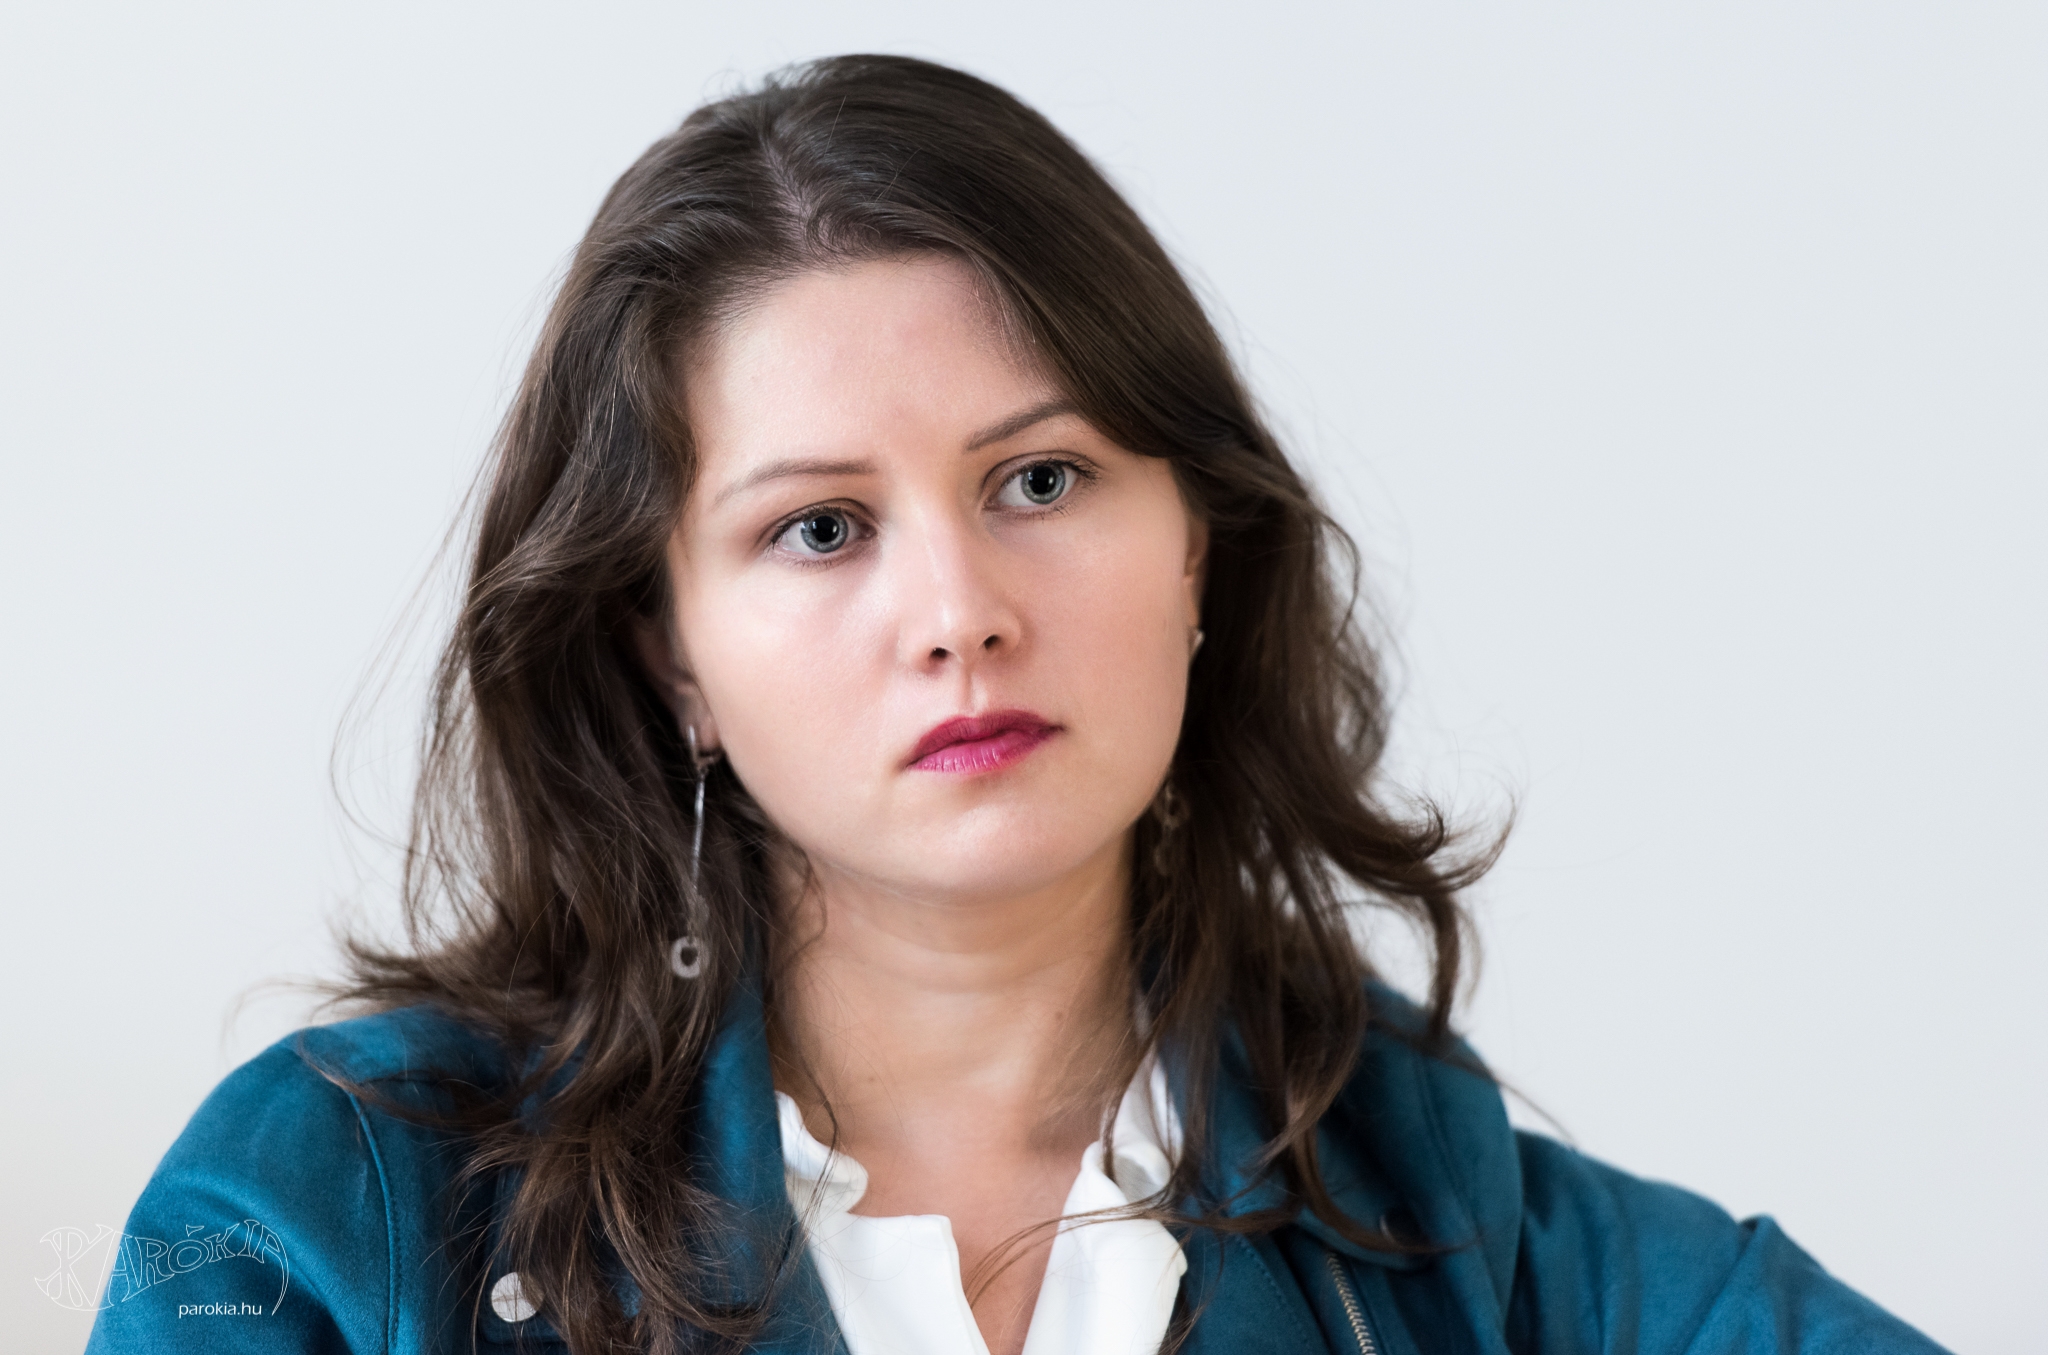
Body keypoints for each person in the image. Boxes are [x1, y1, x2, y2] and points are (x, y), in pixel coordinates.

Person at [85, 54, 1946, 1355]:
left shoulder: (1489, 1251)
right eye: (821, 528)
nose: (960, 613)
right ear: (671, 654)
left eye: (1040, 481)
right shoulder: (332, 1216)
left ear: (1199, 547)